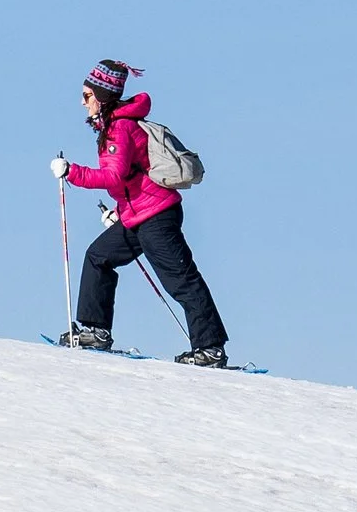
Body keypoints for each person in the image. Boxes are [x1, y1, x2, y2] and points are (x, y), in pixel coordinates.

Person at [56, 59, 231, 365]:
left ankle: (210, 348)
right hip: (138, 215)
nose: (82, 103)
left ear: (102, 96)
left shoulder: (119, 128)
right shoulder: (115, 127)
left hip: (156, 216)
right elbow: (133, 178)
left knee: (182, 279)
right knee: (98, 256)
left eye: (86, 96)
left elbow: (114, 176)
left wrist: (72, 172)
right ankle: (95, 330)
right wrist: (120, 211)